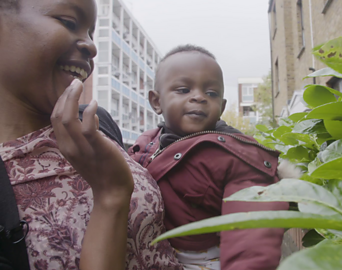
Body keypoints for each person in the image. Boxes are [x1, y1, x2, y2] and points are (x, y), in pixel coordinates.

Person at [0, 0, 181, 269]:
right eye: (69, 22)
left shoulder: (99, 125)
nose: (91, 47)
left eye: (91, 33)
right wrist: (111, 196)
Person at [129, 45, 290, 270]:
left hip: (201, 262)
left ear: (222, 107)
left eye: (211, 93)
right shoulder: (145, 143)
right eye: (184, 89)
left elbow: (251, 236)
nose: (199, 97)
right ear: (156, 101)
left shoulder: (237, 157)